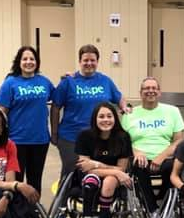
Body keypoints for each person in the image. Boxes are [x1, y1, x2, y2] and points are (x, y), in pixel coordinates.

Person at [51, 44, 127, 178]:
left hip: (98, 138)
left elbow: (119, 97)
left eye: (93, 60)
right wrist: (55, 133)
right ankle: (63, 199)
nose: (89, 63)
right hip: (71, 137)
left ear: (97, 61)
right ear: (80, 61)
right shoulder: (68, 82)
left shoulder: (105, 81)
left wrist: (124, 107)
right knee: (72, 173)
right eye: (85, 60)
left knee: (94, 173)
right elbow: (55, 107)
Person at [121, 76, 184, 214]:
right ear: (140, 93)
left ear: (159, 92)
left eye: (154, 88)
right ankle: (152, 209)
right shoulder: (129, 114)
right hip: (140, 157)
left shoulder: (172, 111)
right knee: (139, 166)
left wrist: (161, 156)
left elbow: (179, 140)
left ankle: (166, 204)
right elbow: (123, 141)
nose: (150, 91)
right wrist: (137, 152)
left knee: (174, 167)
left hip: (165, 157)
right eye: (146, 88)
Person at [0, 46, 54, 194]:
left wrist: (70, 78)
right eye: (25, 59)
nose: (29, 62)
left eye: (32, 59)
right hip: (17, 141)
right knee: (17, 181)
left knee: (35, 180)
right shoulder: (10, 83)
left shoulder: (44, 82)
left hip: (40, 140)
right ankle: (17, 214)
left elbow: (58, 97)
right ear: (19, 62)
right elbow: (1, 111)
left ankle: (33, 212)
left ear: (37, 62)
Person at [74, 101, 133, 218]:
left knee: (110, 180)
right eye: (101, 117)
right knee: (92, 177)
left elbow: (121, 170)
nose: (106, 120)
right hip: (90, 178)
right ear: (95, 119)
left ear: (115, 118)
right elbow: (84, 167)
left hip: (112, 181)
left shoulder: (123, 137)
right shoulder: (85, 136)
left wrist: (95, 165)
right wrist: (104, 167)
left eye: (109, 116)